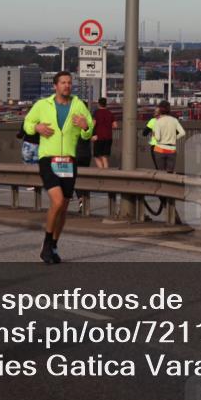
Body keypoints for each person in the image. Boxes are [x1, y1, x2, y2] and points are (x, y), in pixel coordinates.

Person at [23, 71, 94, 264]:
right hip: (48, 159)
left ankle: (53, 244)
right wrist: (36, 128)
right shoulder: (42, 105)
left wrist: (85, 126)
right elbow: (27, 123)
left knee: (63, 207)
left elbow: (89, 132)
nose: (67, 86)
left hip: (69, 161)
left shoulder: (78, 105)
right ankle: (47, 243)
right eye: (63, 83)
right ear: (55, 86)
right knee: (57, 200)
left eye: (69, 83)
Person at [149, 99, 186, 216]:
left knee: (161, 176)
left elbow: (158, 138)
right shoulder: (174, 120)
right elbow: (183, 133)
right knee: (170, 176)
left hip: (159, 150)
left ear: (159, 109)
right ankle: (171, 202)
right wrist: (174, 138)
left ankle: (164, 202)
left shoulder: (158, 122)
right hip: (171, 150)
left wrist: (157, 135)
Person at [92, 97, 116, 168]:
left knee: (96, 156)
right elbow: (115, 125)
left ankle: (101, 173)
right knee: (104, 157)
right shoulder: (110, 113)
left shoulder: (96, 112)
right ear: (106, 104)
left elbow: (93, 124)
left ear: (98, 104)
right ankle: (106, 174)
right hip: (108, 137)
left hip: (99, 137)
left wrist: (93, 134)